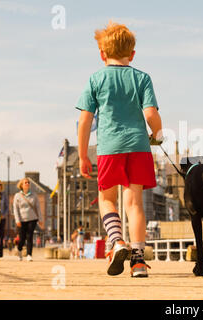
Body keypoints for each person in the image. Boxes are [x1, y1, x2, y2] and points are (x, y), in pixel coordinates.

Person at [76, 21, 162, 278]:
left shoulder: (96, 79)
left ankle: (117, 242)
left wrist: (82, 155)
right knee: (134, 203)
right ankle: (138, 262)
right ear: (132, 54)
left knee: (106, 199)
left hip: (109, 148)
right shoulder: (142, 77)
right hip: (138, 146)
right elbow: (151, 113)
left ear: (102, 54)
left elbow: (85, 121)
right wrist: (158, 135)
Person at [13, 178, 44, 261]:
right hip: (21, 220)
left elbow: (38, 208)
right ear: (21, 185)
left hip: (32, 219)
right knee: (22, 238)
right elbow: (15, 209)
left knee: (29, 236)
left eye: (28, 182)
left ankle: (29, 255)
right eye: (25, 183)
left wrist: (40, 219)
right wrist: (17, 220)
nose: (27, 184)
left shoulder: (34, 195)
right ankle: (19, 250)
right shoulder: (17, 196)